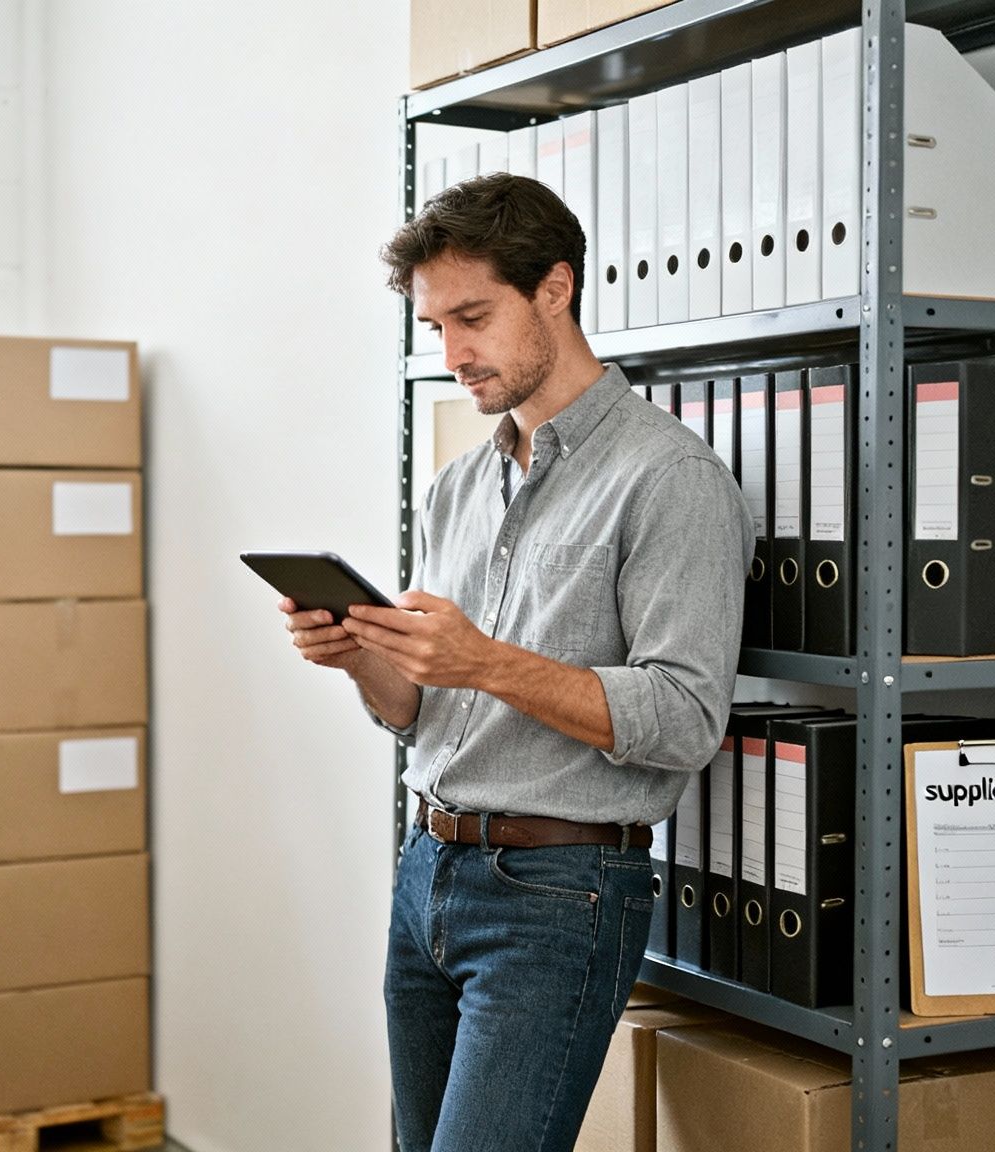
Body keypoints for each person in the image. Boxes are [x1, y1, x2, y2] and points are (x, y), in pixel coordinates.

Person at [279, 172, 752, 1151]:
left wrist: (485, 661)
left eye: (472, 317)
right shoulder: (457, 486)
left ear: (554, 290)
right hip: (426, 871)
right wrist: (359, 657)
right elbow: (418, 709)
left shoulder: (671, 480)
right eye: (434, 326)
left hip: (558, 893)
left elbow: (682, 719)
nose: (451, 353)